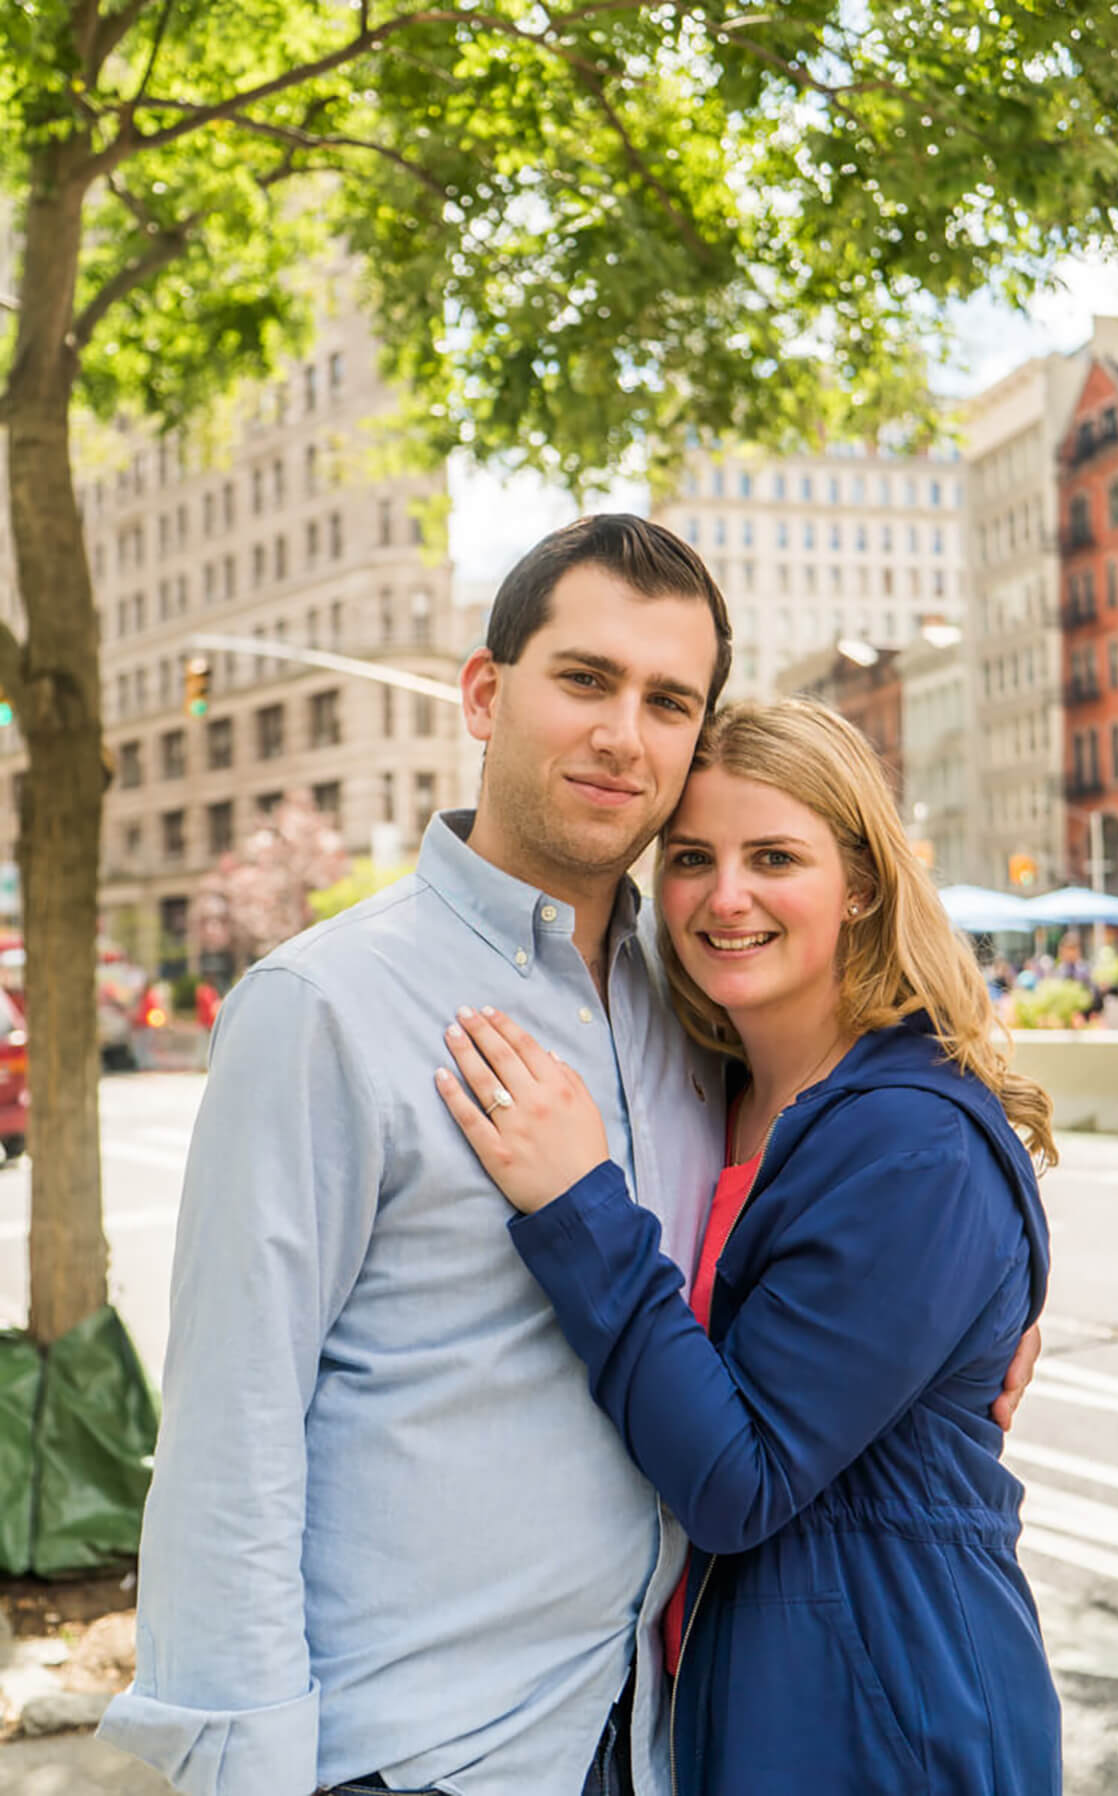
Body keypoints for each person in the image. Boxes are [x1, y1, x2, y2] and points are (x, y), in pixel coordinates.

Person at [99, 518, 1036, 1796]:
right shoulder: (324, 1004)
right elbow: (230, 1436)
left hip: (643, 1738)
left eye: (668, 702)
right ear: (485, 693)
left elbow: (866, 1182)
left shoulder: (691, 1011)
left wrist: (986, 1302)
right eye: (585, 680)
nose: (622, 735)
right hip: (413, 1756)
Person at [437, 698, 1061, 1795]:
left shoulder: (907, 1139)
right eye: (691, 859)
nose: (727, 897)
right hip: (730, 1702)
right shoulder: (704, 1095)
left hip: (885, 1722)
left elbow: (739, 1477)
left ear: (860, 882)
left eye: (775, 855)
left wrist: (581, 1204)